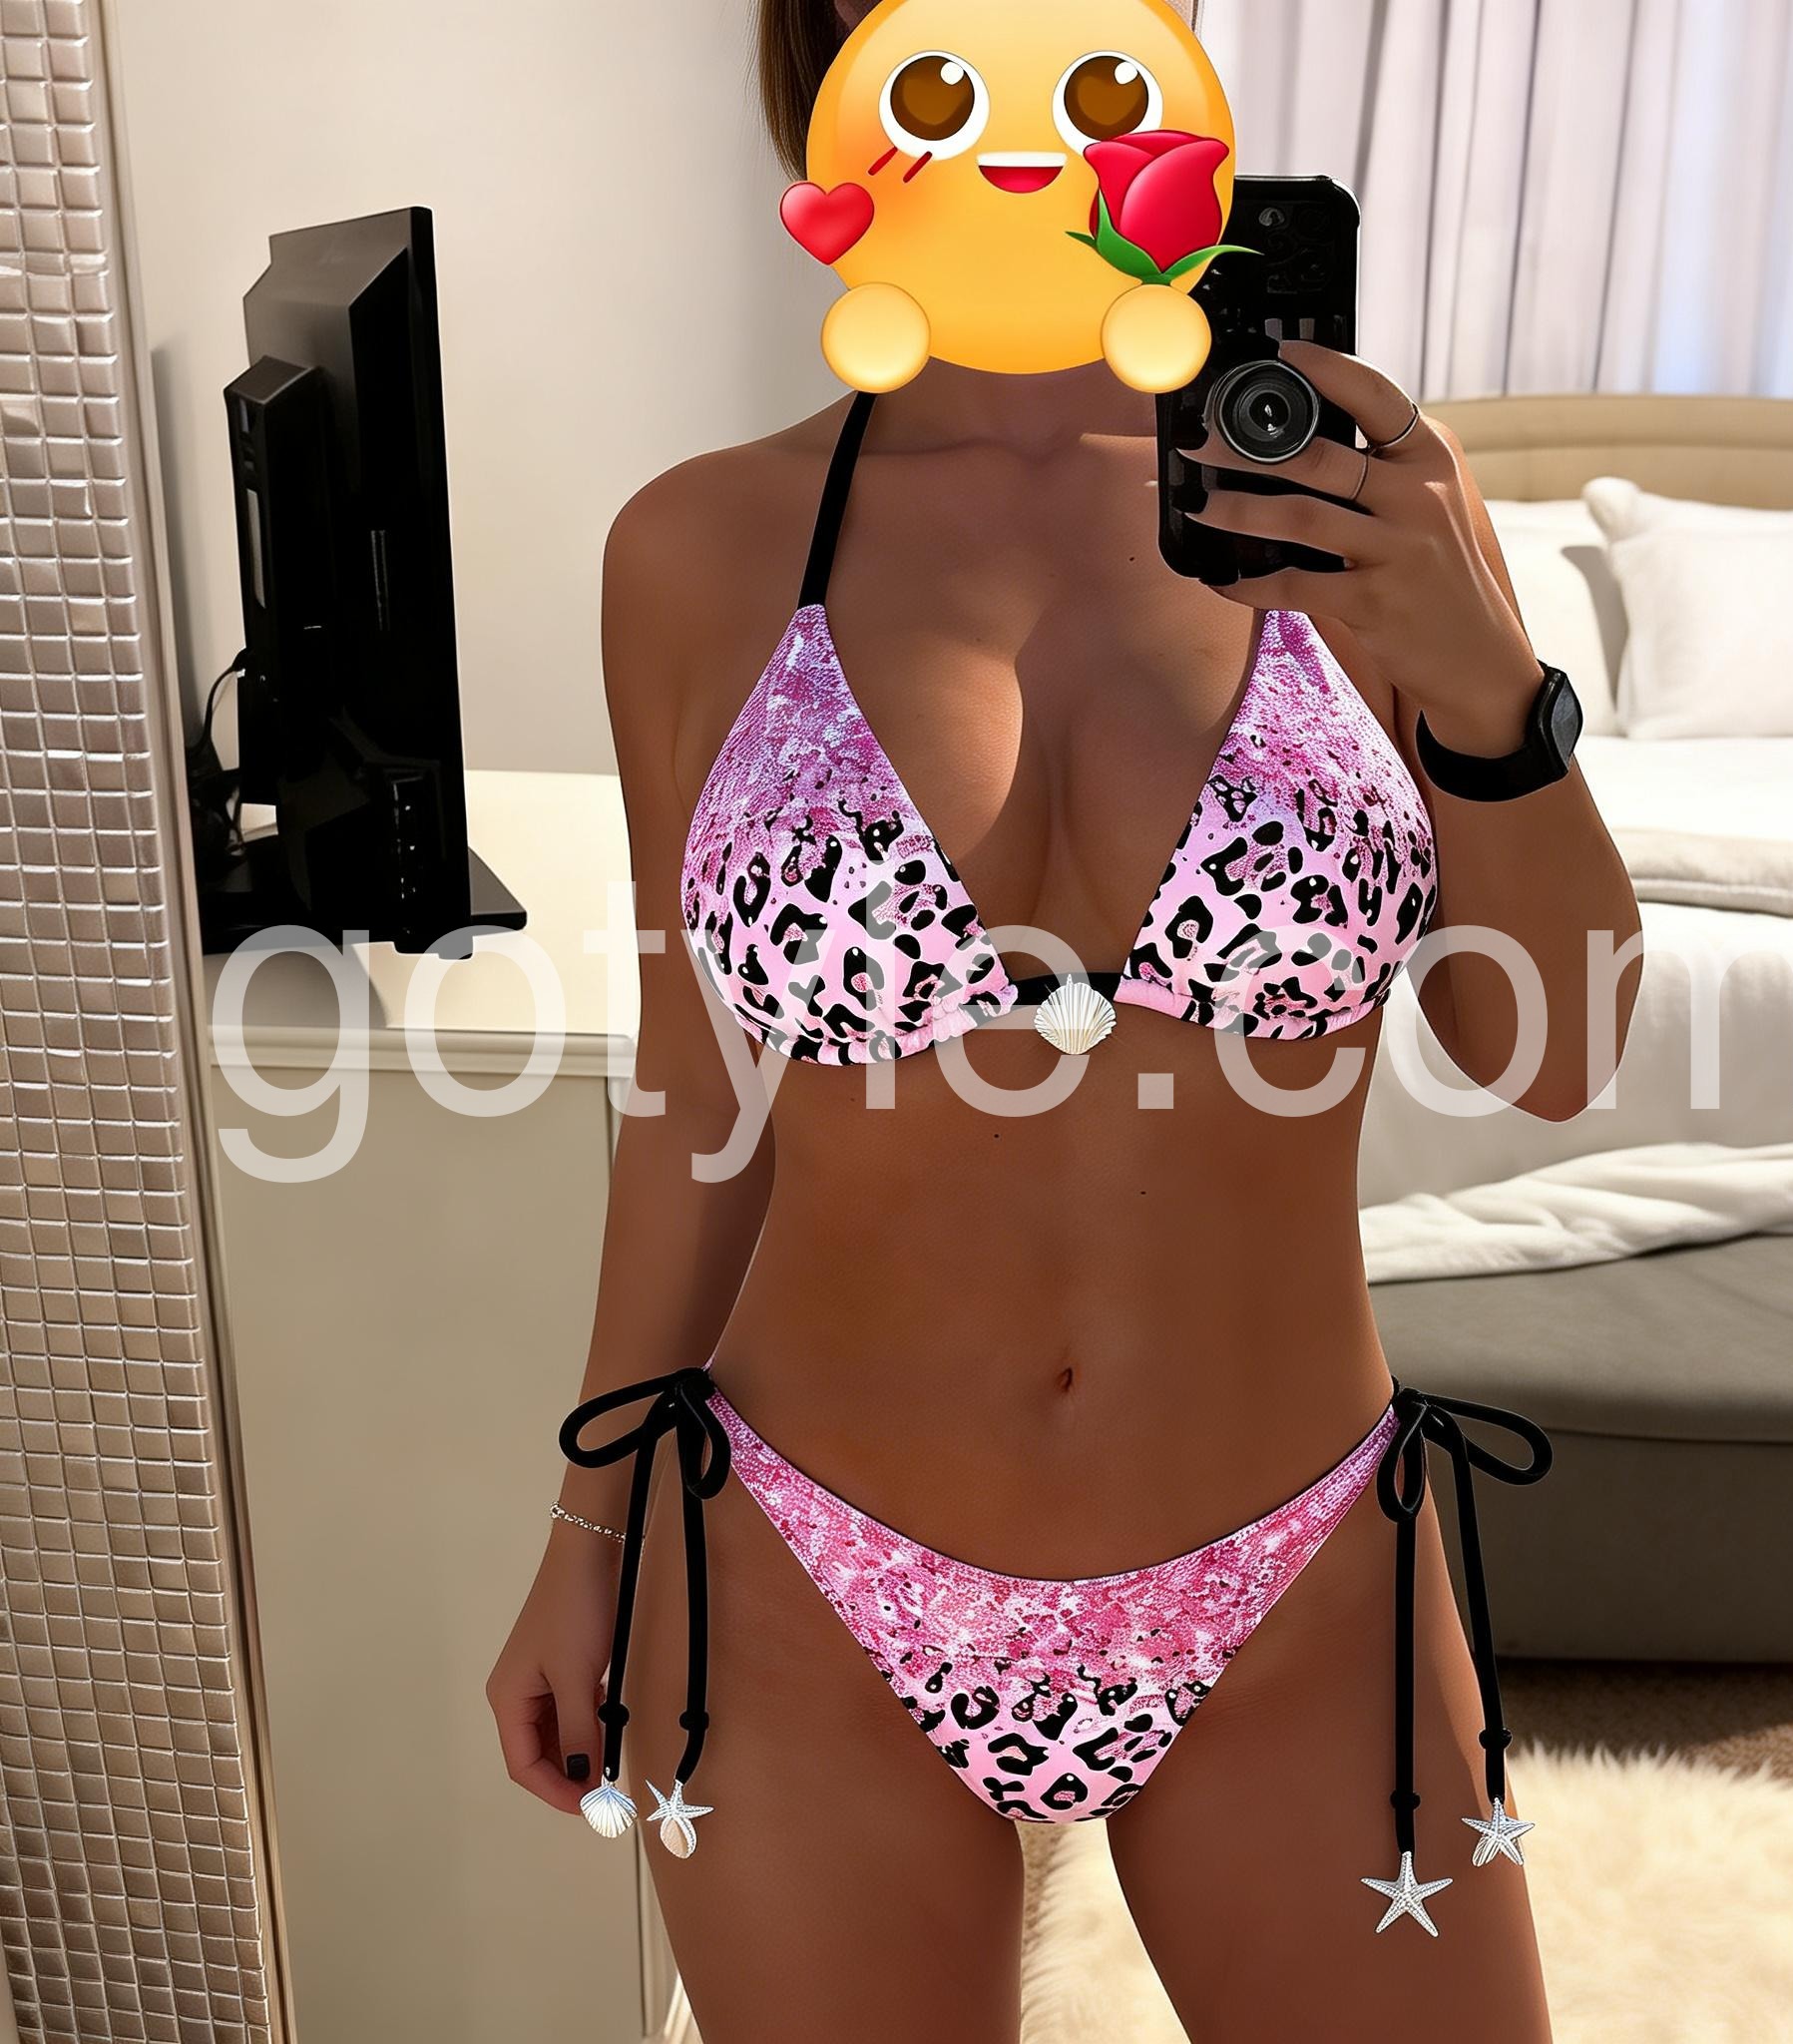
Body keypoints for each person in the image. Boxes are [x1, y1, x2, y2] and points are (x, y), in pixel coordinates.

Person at [489, 3, 1640, 2035]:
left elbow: (1551, 1048)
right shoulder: (698, 546)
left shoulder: (1359, 501)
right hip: (800, 1571)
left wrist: (1483, 688)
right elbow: (697, 1097)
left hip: (1293, 1577)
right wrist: (587, 1526)